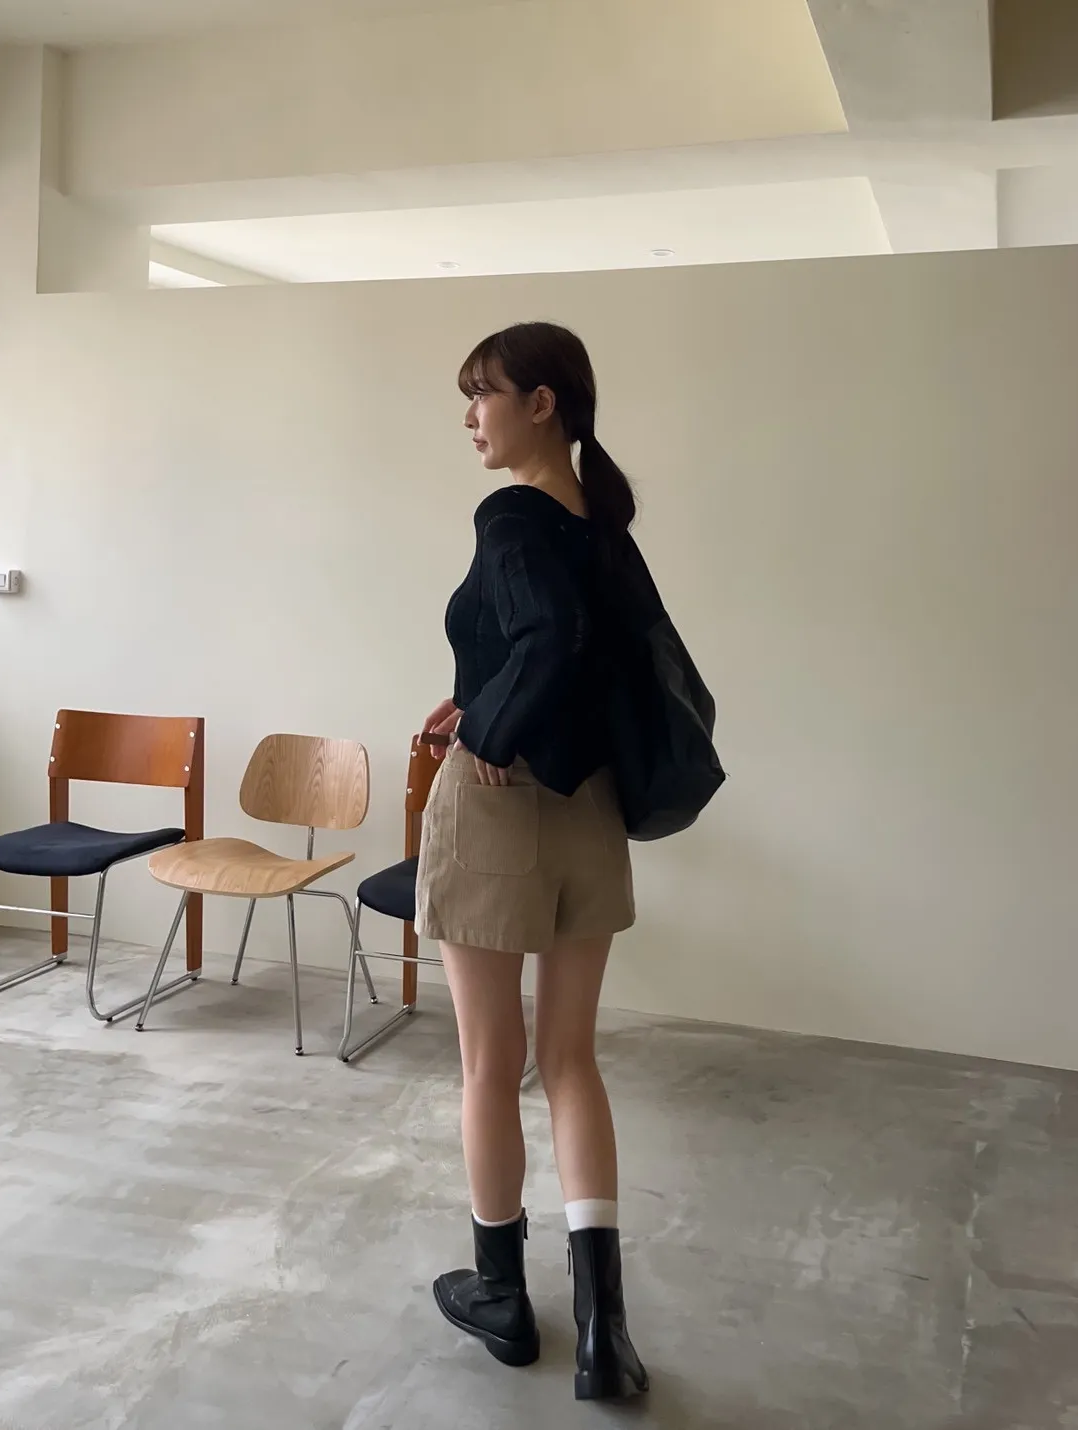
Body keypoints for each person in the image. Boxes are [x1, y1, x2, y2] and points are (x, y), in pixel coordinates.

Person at [417, 320, 649, 1403]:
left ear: (542, 403)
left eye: (484, 394)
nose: (472, 416)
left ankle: (502, 1295)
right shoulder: (601, 519)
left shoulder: (509, 513)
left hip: (499, 813)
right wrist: (478, 698)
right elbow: (581, 655)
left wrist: (488, 730)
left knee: (486, 1062)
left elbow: (547, 638)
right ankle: (604, 1332)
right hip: (590, 808)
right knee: (570, 1061)